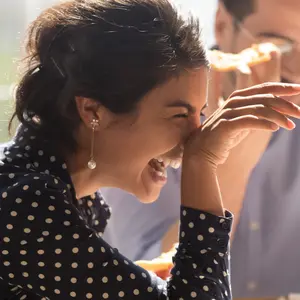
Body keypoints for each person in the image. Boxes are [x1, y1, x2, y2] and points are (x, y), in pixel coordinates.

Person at [102, 0, 300, 298]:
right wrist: (232, 164)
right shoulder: (145, 114)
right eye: (279, 46)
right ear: (222, 25)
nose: (297, 70)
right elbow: (153, 279)